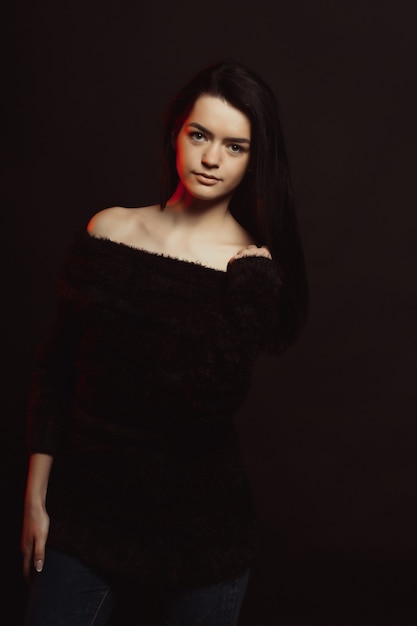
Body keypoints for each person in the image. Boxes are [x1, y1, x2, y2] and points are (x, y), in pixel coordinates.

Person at [20, 60, 308, 626]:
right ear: (176, 131)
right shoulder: (108, 230)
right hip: (88, 515)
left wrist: (250, 297)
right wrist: (35, 497)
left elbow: (199, 410)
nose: (211, 159)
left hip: (201, 537)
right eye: (200, 135)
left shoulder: (248, 272)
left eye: (235, 146)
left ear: (255, 160)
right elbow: (57, 368)